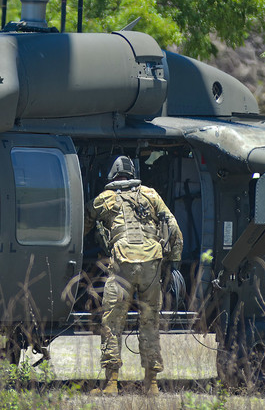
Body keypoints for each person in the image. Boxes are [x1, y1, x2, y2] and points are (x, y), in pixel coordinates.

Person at [86, 155, 182, 396]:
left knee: (112, 323)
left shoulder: (105, 199)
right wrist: (173, 262)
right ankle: (151, 385)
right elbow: (174, 228)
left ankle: (110, 384)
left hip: (123, 265)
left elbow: (84, 220)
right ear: (133, 173)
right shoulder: (150, 194)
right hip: (151, 265)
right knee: (150, 324)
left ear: (112, 176)